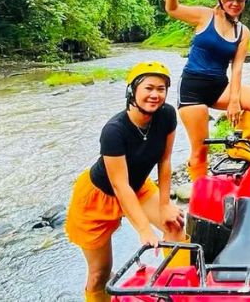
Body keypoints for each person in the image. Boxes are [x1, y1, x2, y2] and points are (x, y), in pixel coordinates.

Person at [65, 62, 186, 302]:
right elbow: (120, 186)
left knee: (174, 225)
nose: (155, 95)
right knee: (99, 274)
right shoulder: (114, 131)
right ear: (132, 91)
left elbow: (165, 161)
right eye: (148, 88)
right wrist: (144, 230)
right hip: (98, 196)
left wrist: (164, 204)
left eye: (161, 89)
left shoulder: (167, 115)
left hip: (139, 187)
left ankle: (178, 290)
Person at [163, 0, 250, 180]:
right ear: (220, 0)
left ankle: (239, 142)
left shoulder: (243, 31)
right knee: (200, 149)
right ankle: (199, 195)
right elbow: (172, 9)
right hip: (193, 89)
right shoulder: (205, 16)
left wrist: (234, 100)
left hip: (220, 86)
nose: (234, 3)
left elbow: (238, 66)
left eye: (240, 0)